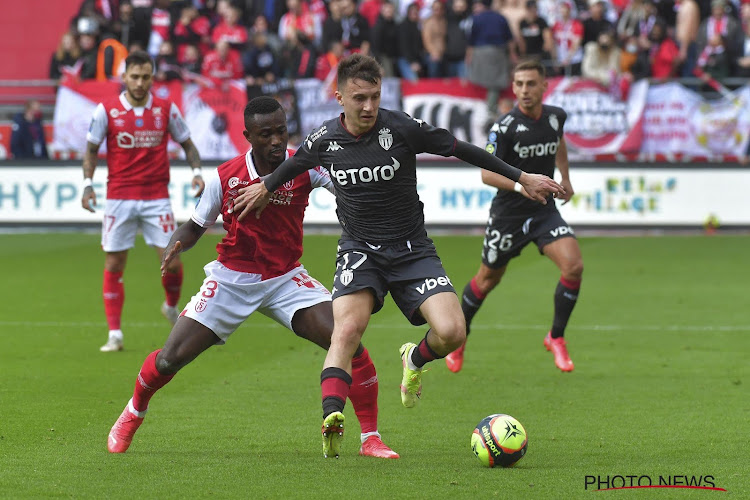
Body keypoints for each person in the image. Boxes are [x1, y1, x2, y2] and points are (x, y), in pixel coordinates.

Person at [230, 54, 564, 458]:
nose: (368, 106)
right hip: (360, 251)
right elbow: (293, 164)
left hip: (411, 250)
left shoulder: (402, 127)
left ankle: (415, 358)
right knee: (346, 331)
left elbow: (461, 149)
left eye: (374, 96)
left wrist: (521, 176)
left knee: (453, 332)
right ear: (339, 97)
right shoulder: (323, 140)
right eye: (359, 98)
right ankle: (332, 416)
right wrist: (265, 186)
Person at [106, 96, 399, 460]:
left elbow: (346, 184)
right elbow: (196, 225)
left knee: (348, 339)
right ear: (248, 136)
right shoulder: (226, 176)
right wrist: (175, 244)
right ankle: (133, 412)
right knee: (169, 359)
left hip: (286, 278)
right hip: (232, 279)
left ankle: (370, 437)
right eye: (266, 134)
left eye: (281, 131)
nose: (276, 140)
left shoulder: (303, 164)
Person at [445, 59, 583, 375]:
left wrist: (565, 177)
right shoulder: (504, 127)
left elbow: (557, 142)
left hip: (543, 210)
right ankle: (460, 338)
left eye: (530, 83)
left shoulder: (555, 117)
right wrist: (522, 187)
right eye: (518, 84)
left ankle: (556, 337)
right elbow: (486, 175)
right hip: (508, 214)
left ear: (544, 85)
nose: (524, 90)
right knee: (487, 279)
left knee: (573, 266)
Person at [80, 50, 204, 352]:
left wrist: (197, 172)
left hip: (156, 197)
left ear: (152, 77)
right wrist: (87, 184)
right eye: (134, 76)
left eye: (145, 76)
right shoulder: (106, 110)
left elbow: (187, 143)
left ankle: (171, 306)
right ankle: (115, 334)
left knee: (172, 260)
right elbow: (91, 150)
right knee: (114, 262)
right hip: (119, 197)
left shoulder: (165, 108)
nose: (139, 82)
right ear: (124, 78)